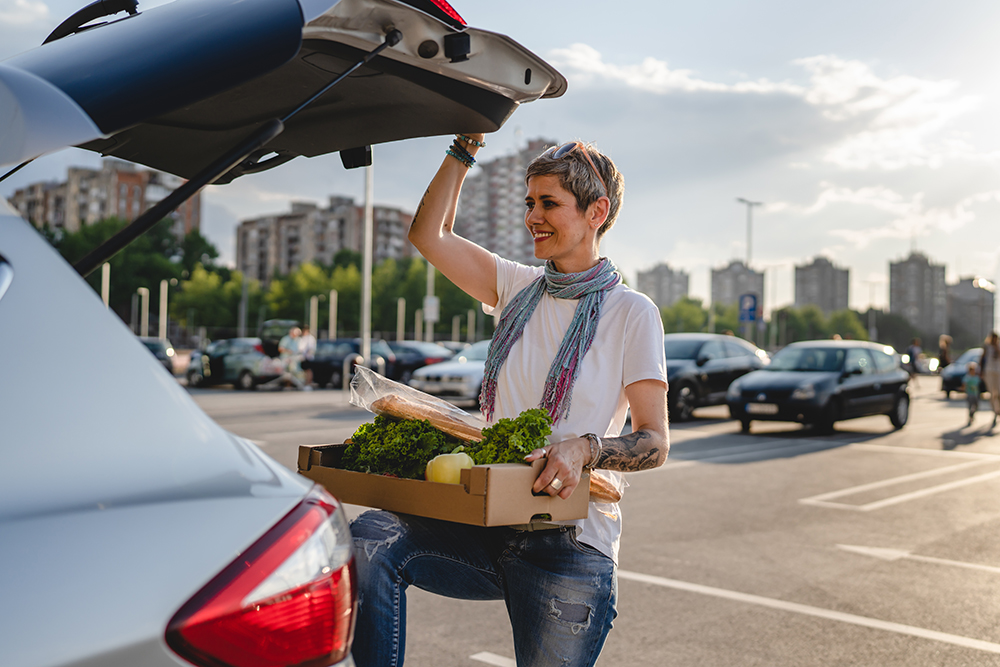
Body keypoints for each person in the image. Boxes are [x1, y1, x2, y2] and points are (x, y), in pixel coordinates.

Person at [349, 135, 669, 667]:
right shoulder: (516, 287)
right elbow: (429, 233)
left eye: (549, 203)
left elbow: (654, 443)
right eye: (529, 202)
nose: (533, 217)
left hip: (568, 544)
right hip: (488, 520)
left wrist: (582, 450)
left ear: (597, 211)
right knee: (370, 538)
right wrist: (464, 148)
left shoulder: (630, 312)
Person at [980, 331, 1000, 428]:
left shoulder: (998, 346)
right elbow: (982, 358)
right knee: (992, 394)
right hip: (989, 371)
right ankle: (995, 411)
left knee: (999, 393)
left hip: (998, 371)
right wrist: (981, 372)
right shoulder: (987, 346)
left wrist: (997, 347)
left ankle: (998, 409)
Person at [962, 361, 981, 426]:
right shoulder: (967, 377)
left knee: (976, 406)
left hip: (976, 394)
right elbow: (964, 384)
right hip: (970, 394)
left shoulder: (976, 377)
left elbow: (979, 385)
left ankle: (972, 414)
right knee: (970, 406)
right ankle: (970, 416)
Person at [299, 325, 317, 390]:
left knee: (308, 370)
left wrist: (306, 355)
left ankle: (308, 383)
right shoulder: (304, 338)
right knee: (305, 371)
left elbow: (309, 348)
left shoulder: (310, 338)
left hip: (307, 357)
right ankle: (305, 383)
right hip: (304, 357)